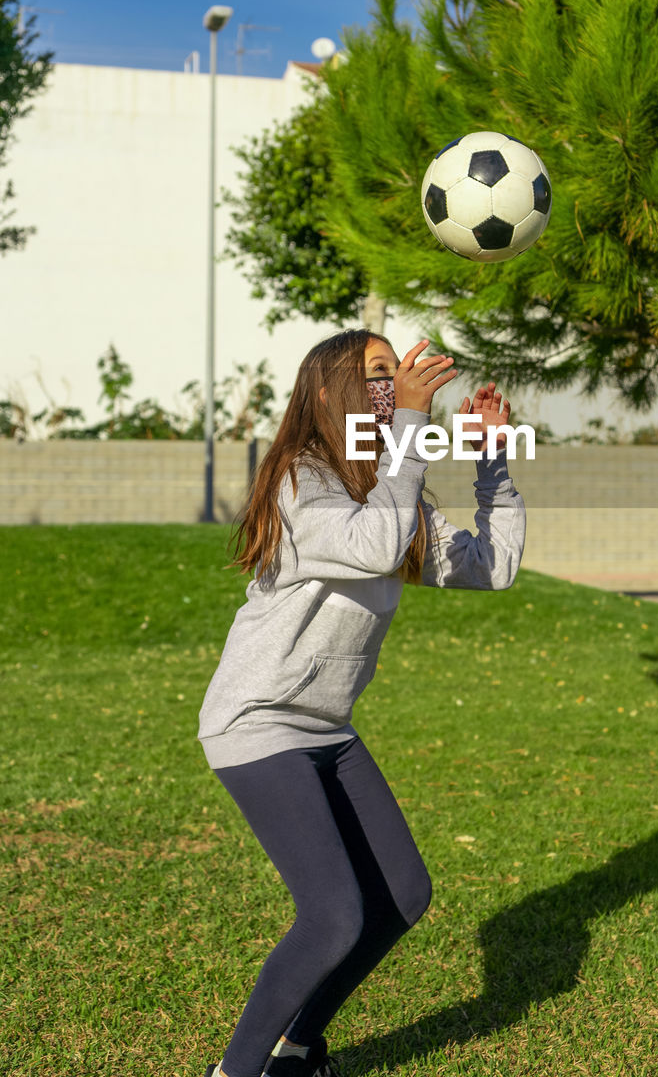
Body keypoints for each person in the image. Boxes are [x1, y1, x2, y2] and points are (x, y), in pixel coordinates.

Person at [198, 328, 527, 1077]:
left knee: (401, 897)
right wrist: (412, 428)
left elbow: (493, 567)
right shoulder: (298, 477)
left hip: (326, 725)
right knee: (333, 915)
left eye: (401, 374)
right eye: (379, 374)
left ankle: (298, 1051)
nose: (399, 384)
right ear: (327, 394)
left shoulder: (389, 482)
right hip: (258, 720)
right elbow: (374, 545)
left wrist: (490, 459)